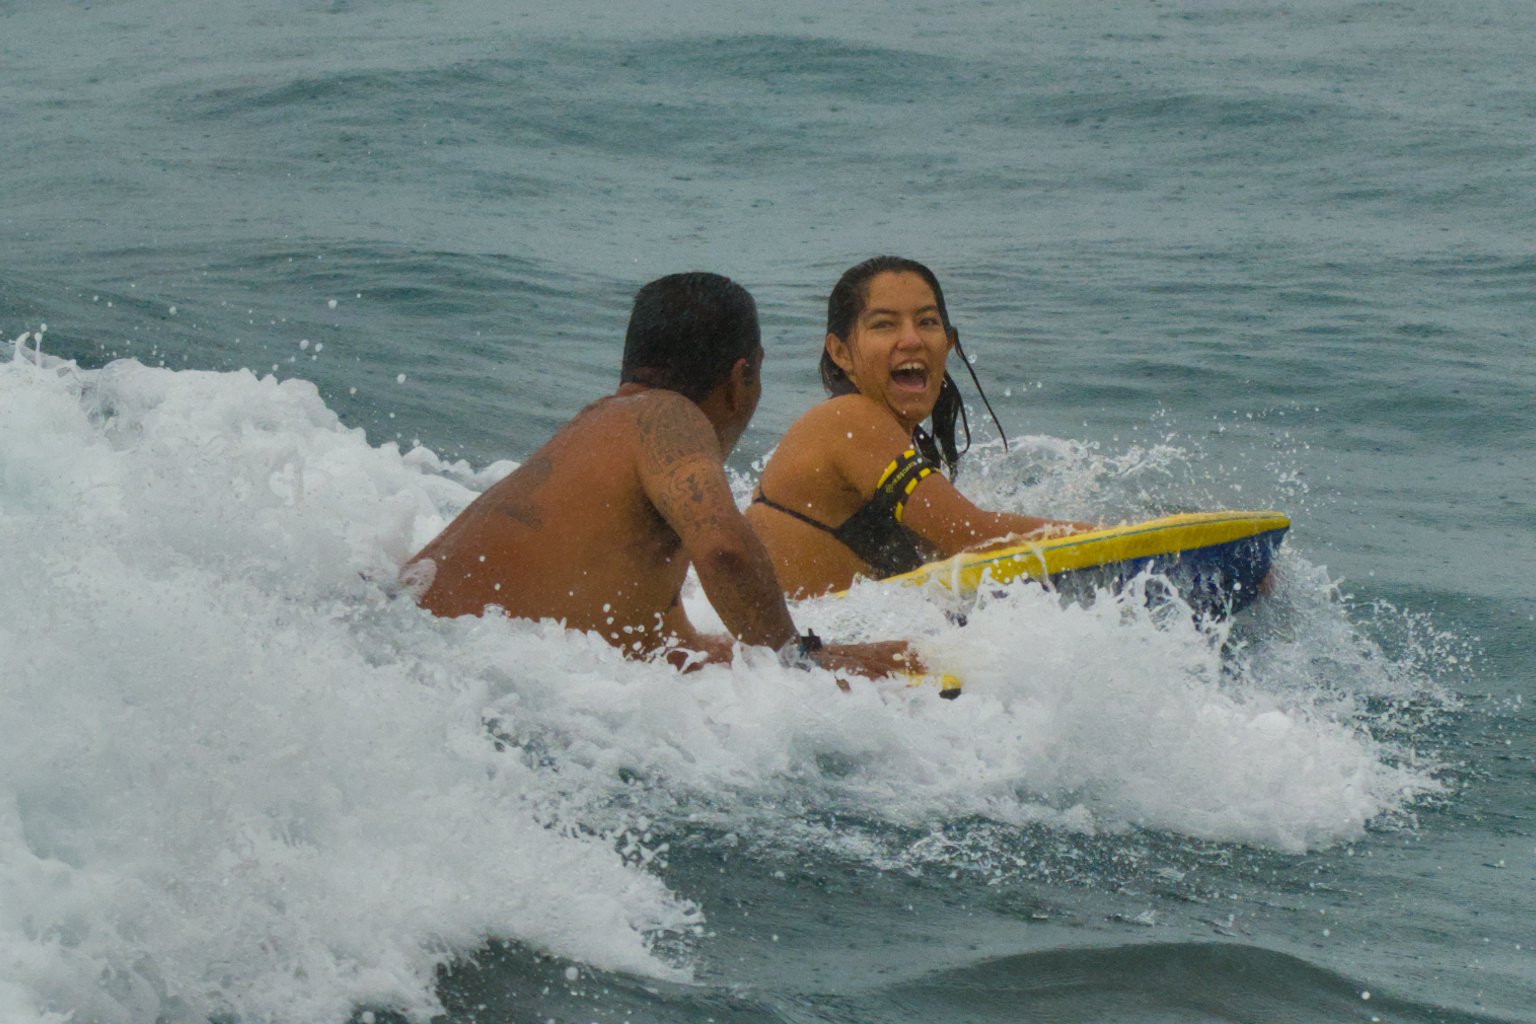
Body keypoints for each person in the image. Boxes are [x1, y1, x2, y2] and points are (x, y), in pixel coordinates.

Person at [404, 272, 916, 683]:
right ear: (744, 376)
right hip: (454, 679)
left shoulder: (595, 430)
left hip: (417, 657)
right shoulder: (670, 417)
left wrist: (838, 656)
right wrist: (803, 663)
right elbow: (724, 551)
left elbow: (659, 645)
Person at [746, 256, 1093, 596]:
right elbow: (970, 535)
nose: (912, 340)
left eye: (927, 322)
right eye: (884, 324)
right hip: (797, 653)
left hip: (809, 648)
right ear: (841, 352)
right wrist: (1113, 537)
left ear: (949, 343)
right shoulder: (849, 419)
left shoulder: (895, 441)